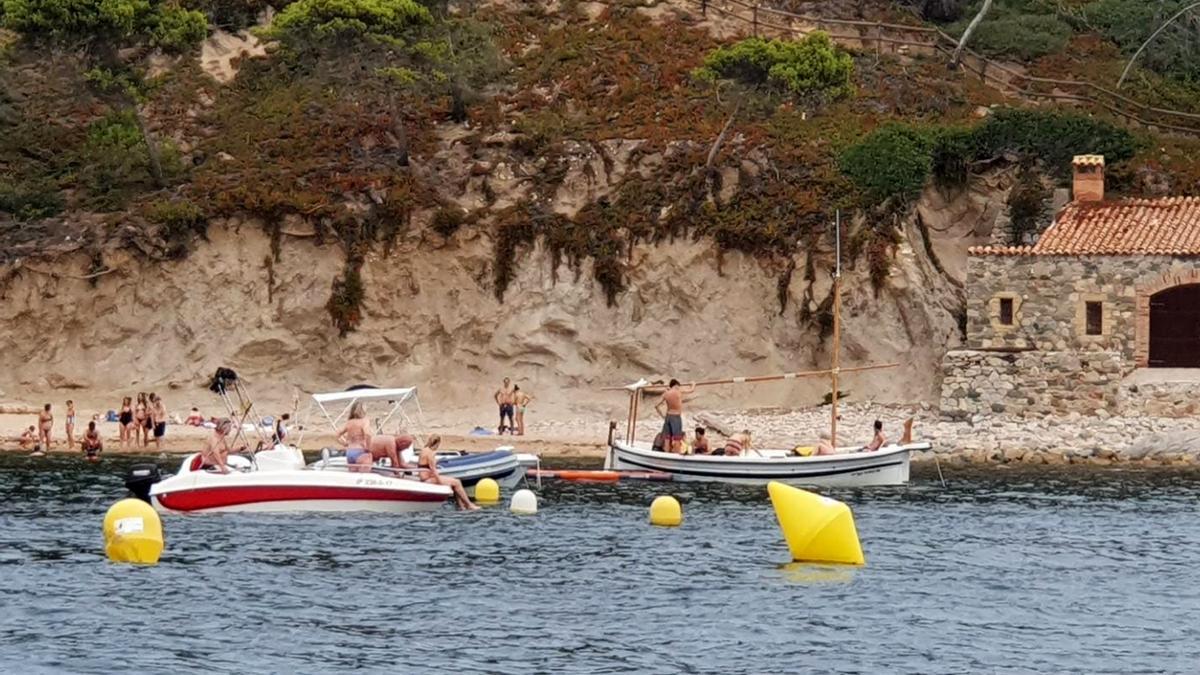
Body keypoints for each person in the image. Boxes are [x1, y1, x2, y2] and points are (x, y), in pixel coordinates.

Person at [418, 435, 478, 510]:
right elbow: (433, 469)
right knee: (457, 482)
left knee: (454, 483)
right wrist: (440, 482)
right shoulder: (431, 453)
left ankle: (461, 506)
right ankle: (469, 505)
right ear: (437, 443)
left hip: (424, 477)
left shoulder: (424, 450)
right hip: (428, 479)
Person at [654, 379, 696, 454]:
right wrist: (693, 384)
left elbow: (656, 406)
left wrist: (662, 415)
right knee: (677, 438)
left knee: (667, 439)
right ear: (676, 385)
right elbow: (691, 390)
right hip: (676, 417)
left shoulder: (666, 393)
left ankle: (666, 455)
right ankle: (676, 455)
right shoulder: (678, 391)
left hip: (668, 416)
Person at [337, 402, 373, 472]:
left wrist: (344, 443)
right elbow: (368, 434)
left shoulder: (349, 422)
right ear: (363, 410)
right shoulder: (364, 421)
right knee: (364, 475)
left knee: (352, 476)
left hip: (350, 451)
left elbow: (337, 434)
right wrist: (368, 447)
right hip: (360, 451)